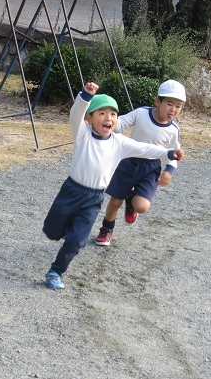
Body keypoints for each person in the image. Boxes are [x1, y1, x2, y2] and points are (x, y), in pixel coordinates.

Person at [42, 82, 184, 290]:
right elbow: (76, 112)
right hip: (71, 191)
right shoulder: (81, 134)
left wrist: (168, 154)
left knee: (76, 240)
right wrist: (86, 96)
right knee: (52, 231)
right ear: (89, 119)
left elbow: (144, 148)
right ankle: (66, 233)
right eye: (101, 113)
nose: (108, 118)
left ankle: (56, 271)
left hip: (93, 199)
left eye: (113, 114)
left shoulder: (119, 142)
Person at [94, 79, 186, 247]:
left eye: (178, 106)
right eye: (169, 104)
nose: (173, 109)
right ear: (158, 101)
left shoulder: (174, 129)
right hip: (128, 162)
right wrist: (109, 122)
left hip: (150, 168)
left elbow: (174, 151)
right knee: (115, 201)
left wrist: (168, 171)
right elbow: (121, 124)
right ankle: (106, 229)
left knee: (142, 207)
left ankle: (132, 200)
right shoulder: (141, 113)